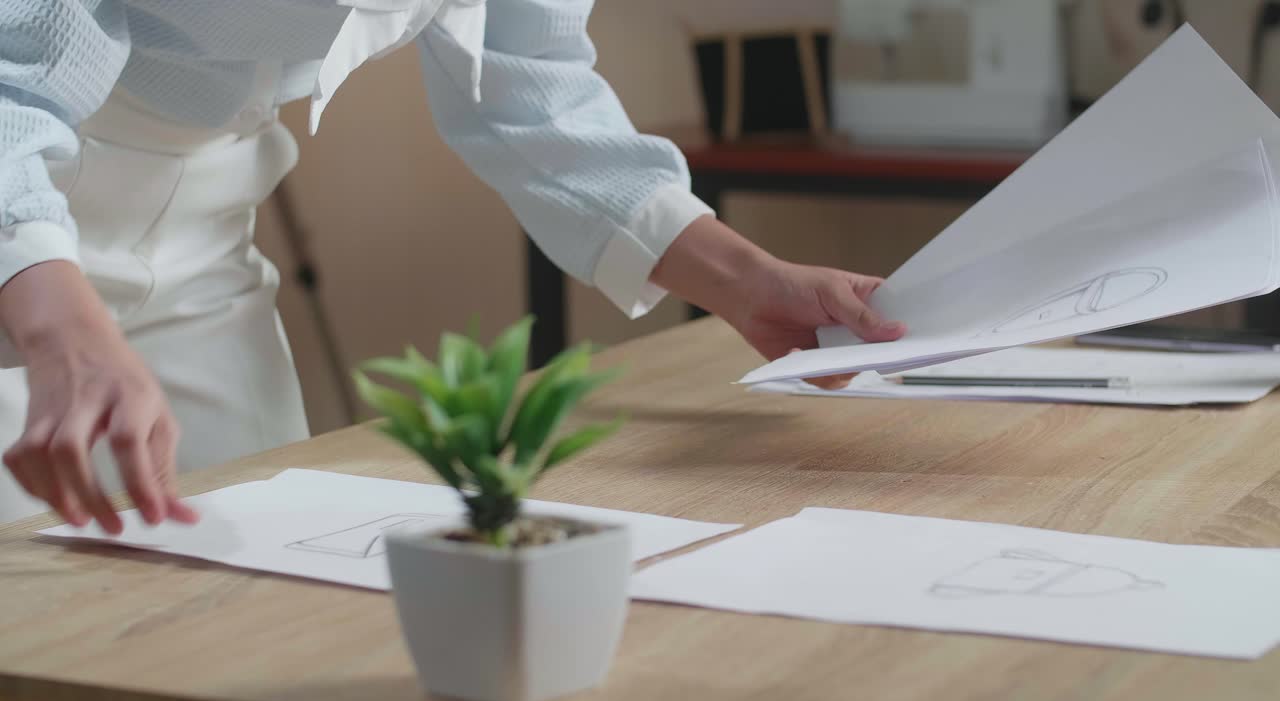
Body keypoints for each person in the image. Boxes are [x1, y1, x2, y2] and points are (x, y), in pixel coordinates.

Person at [0, 1, 905, 531]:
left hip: (206, 232)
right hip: (25, 233)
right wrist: (61, 332)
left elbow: (534, 87)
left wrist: (746, 277)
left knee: (231, 577)